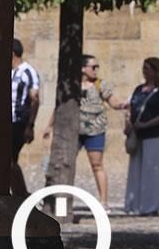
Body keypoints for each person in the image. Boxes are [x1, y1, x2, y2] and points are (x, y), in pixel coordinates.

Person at [43, 54, 128, 207]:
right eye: (93, 67)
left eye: (97, 67)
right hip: (73, 131)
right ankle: (58, 201)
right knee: (64, 163)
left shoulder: (100, 85)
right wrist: (49, 126)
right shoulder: (71, 85)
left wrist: (123, 105)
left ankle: (103, 201)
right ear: (83, 68)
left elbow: (113, 101)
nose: (96, 70)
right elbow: (60, 107)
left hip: (95, 130)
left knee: (97, 165)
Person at [125, 57, 159, 215]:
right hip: (137, 134)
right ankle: (135, 204)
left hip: (153, 134)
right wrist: (128, 125)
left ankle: (150, 206)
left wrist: (146, 124)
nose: (145, 71)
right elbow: (131, 108)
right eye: (143, 68)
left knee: (151, 171)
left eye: (148, 68)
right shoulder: (139, 89)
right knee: (136, 169)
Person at [10, 38, 41, 196]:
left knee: (9, 160)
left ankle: (21, 194)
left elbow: (35, 99)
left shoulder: (28, 72)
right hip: (9, 122)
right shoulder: (12, 73)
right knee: (8, 160)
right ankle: (18, 194)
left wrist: (30, 126)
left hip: (20, 122)